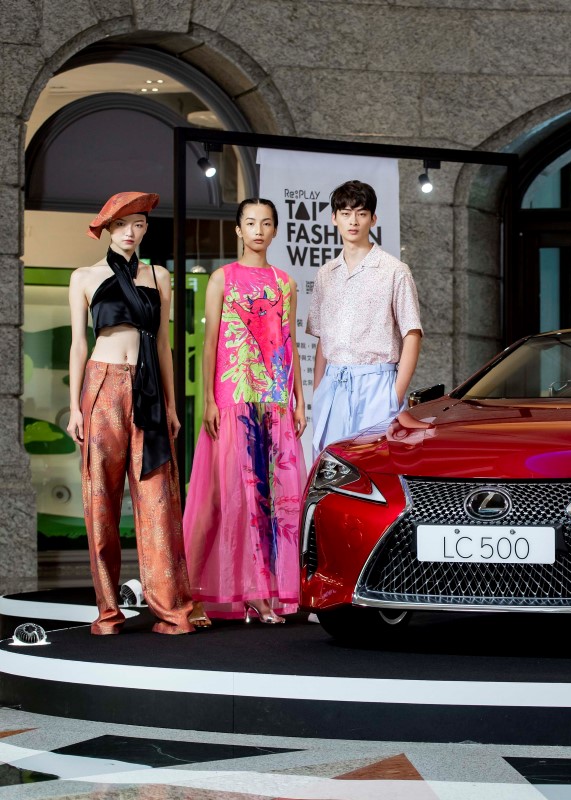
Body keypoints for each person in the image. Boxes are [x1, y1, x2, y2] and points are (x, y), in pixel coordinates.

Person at [65, 192, 195, 635]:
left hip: (149, 390)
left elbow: (163, 344)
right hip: (101, 387)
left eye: (138, 224)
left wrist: (171, 405)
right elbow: (78, 344)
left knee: (158, 501)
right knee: (100, 499)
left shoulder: (158, 276)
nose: (129, 232)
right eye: (121, 224)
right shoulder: (84, 277)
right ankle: (108, 610)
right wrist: (74, 406)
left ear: (145, 229)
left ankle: (170, 608)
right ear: (107, 228)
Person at [183, 198, 306, 624]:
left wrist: (298, 398)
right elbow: (210, 344)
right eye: (250, 223)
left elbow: (288, 344)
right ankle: (198, 591)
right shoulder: (222, 278)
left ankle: (264, 592)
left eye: (266, 223)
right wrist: (208, 400)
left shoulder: (285, 283)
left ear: (275, 231)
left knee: (273, 496)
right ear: (238, 230)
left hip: (274, 397)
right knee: (229, 495)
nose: (258, 230)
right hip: (233, 393)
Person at [307, 180, 422, 461]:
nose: (353, 221)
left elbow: (412, 333)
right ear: (334, 218)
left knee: (374, 465)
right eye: (346, 213)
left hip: (377, 385)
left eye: (361, 213)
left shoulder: (394, 270)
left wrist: (394, 396)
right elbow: (323, 337)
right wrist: (318, 391)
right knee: (330, 468)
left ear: (373, 219)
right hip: (333, 386)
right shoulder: (325, 274)